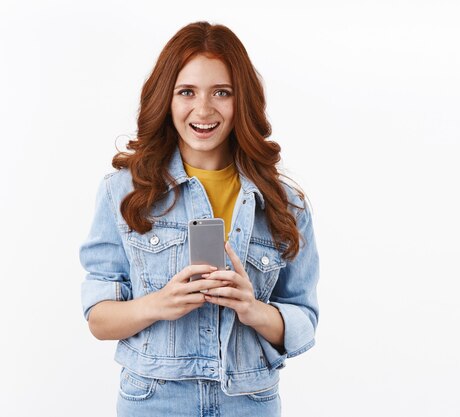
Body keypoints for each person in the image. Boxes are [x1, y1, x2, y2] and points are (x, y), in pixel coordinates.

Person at [79, 21, 319, 417]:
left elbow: (304, 321)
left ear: (241, 100)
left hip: (248, 402)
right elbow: (99, 319)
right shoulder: (123, 192)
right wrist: (158, 304)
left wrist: (251, 308)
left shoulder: (284, 203)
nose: (203, 110)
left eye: (221, 93)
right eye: (186, 92)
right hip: (154, 401)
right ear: (166, 99)